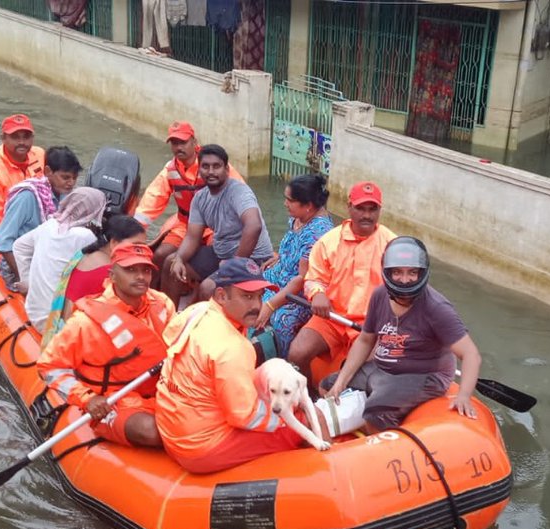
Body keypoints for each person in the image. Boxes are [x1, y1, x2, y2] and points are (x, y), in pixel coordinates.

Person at [155, 258, 325, 474]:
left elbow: (169, 337)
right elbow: (245, 416)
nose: (256, 306)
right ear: (221, 296)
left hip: (173, 426)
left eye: (259, 297)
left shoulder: (196, 311)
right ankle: (323, 478)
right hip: (201, 446)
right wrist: (293, 407)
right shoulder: (233, 348)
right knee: (312, 416)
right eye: (246, 296)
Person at [321, 237, 482, 431]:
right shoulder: (379, 295)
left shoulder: (437, 308)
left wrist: (464, 395)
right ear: (387, 272)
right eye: (397, 272)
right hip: (383, 368)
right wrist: (341, 383)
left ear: (422, 273)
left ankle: (381, 442)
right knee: (326, 385)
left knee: (375, 412)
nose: (405, 280)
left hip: (423, 374)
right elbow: (365, 340)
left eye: (412, 272)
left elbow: (471, 354)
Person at [37, 242, 175, 448]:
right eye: (130, 270)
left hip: (162, 393)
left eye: (146, 270)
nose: (140, 276)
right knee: (151, 431)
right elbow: (49, 367)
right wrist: (88, 400)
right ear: (112, 275)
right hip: (112, 402)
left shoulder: (162, 303)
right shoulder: (85, 322)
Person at [287, 180, 397, 384]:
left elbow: (402, 292)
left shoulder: (392, 245)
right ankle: (308, 396)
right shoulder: (328, 242)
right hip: (332, 317)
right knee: (297, 352)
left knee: (367, 368)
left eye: (372, 209)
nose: (366, 215)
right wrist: (318, 294)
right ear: (349, 208)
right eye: (360, 208)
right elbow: (314, 278)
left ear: (379, 210)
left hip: (372, 325)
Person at [166, 145, 274, 303]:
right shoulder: (200, 198)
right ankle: (171, 319)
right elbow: (192, 237)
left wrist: (234, 264)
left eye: (216, 166)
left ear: (226, 169)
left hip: (253, 259)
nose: (210, 172)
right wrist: (179, 259)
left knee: (208, 288)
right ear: (199, 169)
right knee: (170, 263)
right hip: (221, 254)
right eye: (205, 166)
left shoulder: (239, 192)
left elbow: (254, 226)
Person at [132, 121, 241, 274]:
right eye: (174, 143)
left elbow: (240, 195)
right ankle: (155, 296)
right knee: (160, 255)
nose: (178, 147)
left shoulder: (213, 164)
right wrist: (132, 232)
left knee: (215, 256)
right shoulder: (170, 170)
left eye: (183, 142)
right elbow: (152, 199)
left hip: (215, 226)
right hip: (185, 224)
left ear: (194, 142)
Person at [252, 174, 335, 357]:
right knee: (247, 285)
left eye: (290, 200)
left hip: (298, 293)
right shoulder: (299, 218)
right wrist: (281, 257)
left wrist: (271, 305)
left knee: (282, 320)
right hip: (280, 274)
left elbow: (302, 279)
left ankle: (285, 362)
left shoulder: (318, 234)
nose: (285, 204)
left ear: (308, 206)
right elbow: (292, 244)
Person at [40, 214, 148, 346]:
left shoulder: (84, 255)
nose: (140, 252)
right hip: (79, 339)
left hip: (66, 329)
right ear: (114, 243)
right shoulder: (110, 273)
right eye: (136, 246)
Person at [0, 146, 83, 287]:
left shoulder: (63, 195)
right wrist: (24, 278)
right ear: (48, 172)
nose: (71, 183)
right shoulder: (27, 197)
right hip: (19, 268)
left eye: (74, 178)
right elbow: (3, 242)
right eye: (66, 177)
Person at [13, 187, 106, 331]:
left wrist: (28, 282)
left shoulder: (50, 225)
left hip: (33, 312)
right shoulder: (85, 236)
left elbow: (19, 247)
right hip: (55, 322)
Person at [0, 114, 46, 256]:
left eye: (26, 136)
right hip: (7, 238)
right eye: (15, 137)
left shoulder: (40, 155)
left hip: (33, 235)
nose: (22, 142)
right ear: (3, 138)